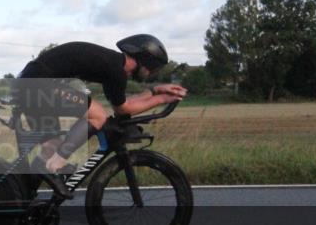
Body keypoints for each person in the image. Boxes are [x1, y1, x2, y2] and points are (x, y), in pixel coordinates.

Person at [13, 35, 187, 175]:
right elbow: (123, 109)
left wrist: (156, 91)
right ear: (145, 61)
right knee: (98, 115)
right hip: (38, 85)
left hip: (29, 83)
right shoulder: (115, 70)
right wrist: (162, 99)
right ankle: (56, 165)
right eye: (153, 69)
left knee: (52, 147)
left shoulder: (112, 64)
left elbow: (123, 104)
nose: (150, 74)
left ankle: (23, 195)